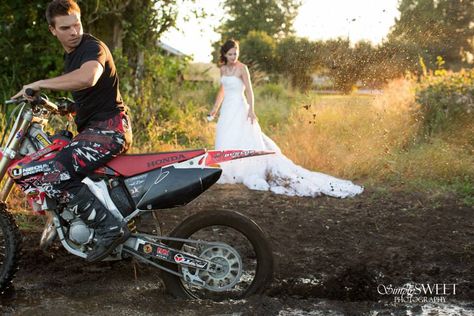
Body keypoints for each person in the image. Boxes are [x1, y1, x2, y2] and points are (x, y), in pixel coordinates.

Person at [12, 0, 133, 261]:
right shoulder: (71, 56)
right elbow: (90, 96)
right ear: (52, 30)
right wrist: (64, 107)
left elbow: (88, 78)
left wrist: (41, 84)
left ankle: (109, 229)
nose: (74, 31)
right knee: (58, 155)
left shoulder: (93, 48)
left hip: (110, 131)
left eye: (76, 24)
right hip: (98, 128)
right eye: (65, 28)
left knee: (54, 174)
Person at [209, 39, 363, 198]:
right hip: (228, 109)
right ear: (224, 55)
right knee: (226, 136)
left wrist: (252, 110)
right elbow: (222, 91)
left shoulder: (243, 69)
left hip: (241, 108)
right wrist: (215, 109)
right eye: (230, 54)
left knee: (243, 138)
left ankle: (244, 171)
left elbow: (249, 91)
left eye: (236, 53)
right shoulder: (223, 70)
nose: (234, 56)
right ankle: (227, 171)